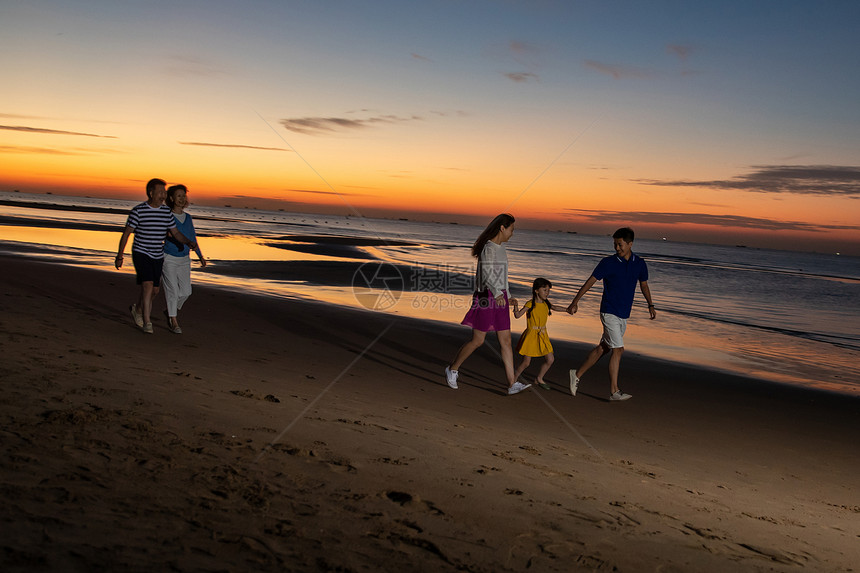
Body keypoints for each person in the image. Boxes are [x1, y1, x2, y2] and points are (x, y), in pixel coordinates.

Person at [566, 227, 656, 401]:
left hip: (624, 314)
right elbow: (589, 282)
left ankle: (576, 374)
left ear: (630, 244)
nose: (617, 248)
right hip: (608, 311)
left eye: (620, 244)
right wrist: (574, 302)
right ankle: (614, 391)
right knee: (618, 349)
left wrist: (650, 305)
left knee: (604, 348)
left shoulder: (640, 263)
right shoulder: (608, 263)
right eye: (615, 244)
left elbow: (644, 285)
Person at [445, 213, 530, 395]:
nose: (512, 234)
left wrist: (508, 295)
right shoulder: (488, 249)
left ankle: (511, 383)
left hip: (501, 297)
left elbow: (502, 275)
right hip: (486, 296)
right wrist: (498, 293)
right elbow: (486, 275)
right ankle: (452, 369)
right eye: (511, 229)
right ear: (502, 228)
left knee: (506, 341)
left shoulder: (501, 249)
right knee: (478, 340)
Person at [115, 178, 197, 334]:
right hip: (141, 252)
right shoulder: (138, 211)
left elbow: (175, 233)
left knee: (155, 291)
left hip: (157, 254)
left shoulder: (166, 212)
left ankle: (137, 309)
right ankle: (147, 322)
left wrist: (188, 242)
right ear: (151, 193)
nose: (163, 195)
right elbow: (126, 234)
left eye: (165, 192)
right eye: (160, 192)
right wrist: (120, 256)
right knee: (147, 286)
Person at [162, 184, 207, 334]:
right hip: (168, 258)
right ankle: (173, 321)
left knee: (186, 292)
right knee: (173, 290)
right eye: (179, 196)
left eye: (184, 196)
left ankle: (170, 310)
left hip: (184, 259)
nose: (182, 199)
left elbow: (192, 237)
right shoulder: (166, 215)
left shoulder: (188, 218)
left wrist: (200, 255)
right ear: (171, 198)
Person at [512, 278, 556, 390]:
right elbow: (517, 315)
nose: (547, 293)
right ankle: (513, 379)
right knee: (526, 363)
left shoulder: (546, 304)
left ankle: (539, 378)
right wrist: (516, 306)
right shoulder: (530, 304)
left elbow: (555, 307)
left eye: (548, 290)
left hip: (543, 335)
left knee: (550, 360)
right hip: (531, 335)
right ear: (536, 291)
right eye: (545, 290)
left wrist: (568, 309)